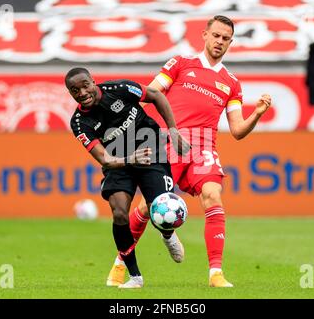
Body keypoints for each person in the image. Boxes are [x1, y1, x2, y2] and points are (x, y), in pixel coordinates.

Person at [107, 15, 272, 287]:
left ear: (231, 43)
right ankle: (120, 263)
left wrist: (256, 113)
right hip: (168, 140)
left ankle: (215, 274)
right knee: (148, 207)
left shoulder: (231, 83)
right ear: (205, 35)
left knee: (213, 195)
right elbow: (152, 92)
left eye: (225, 38)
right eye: (216, 35)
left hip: (204, 145)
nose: (219, 42)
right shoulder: (181, 63)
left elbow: (238, 130)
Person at [66, 67, 191, 288]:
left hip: (151, 148)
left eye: (85, 85)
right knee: (120, 212)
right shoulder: (79, 123)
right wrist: (130, 158)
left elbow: (156, 95)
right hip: (119, 162)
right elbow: (104, 159)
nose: (82, 92)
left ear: (93, 81)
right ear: (71, 93)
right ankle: (135, 277)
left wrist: (173, 131)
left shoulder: (120, 88)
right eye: (75, 90)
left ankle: (168, 234)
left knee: (159, 207)